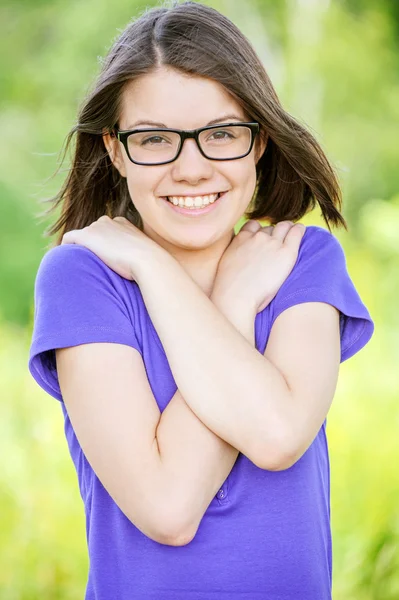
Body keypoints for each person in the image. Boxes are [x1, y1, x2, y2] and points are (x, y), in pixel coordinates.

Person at [28, 1, 374, 599]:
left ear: (259, 141)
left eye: (220, 134)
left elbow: (277, 432)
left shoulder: (301, 260)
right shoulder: (83, 280)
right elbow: (167, 507)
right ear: (114, 149)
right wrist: (217, 296)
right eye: (156, 138)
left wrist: (175, 275)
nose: (192, 168)